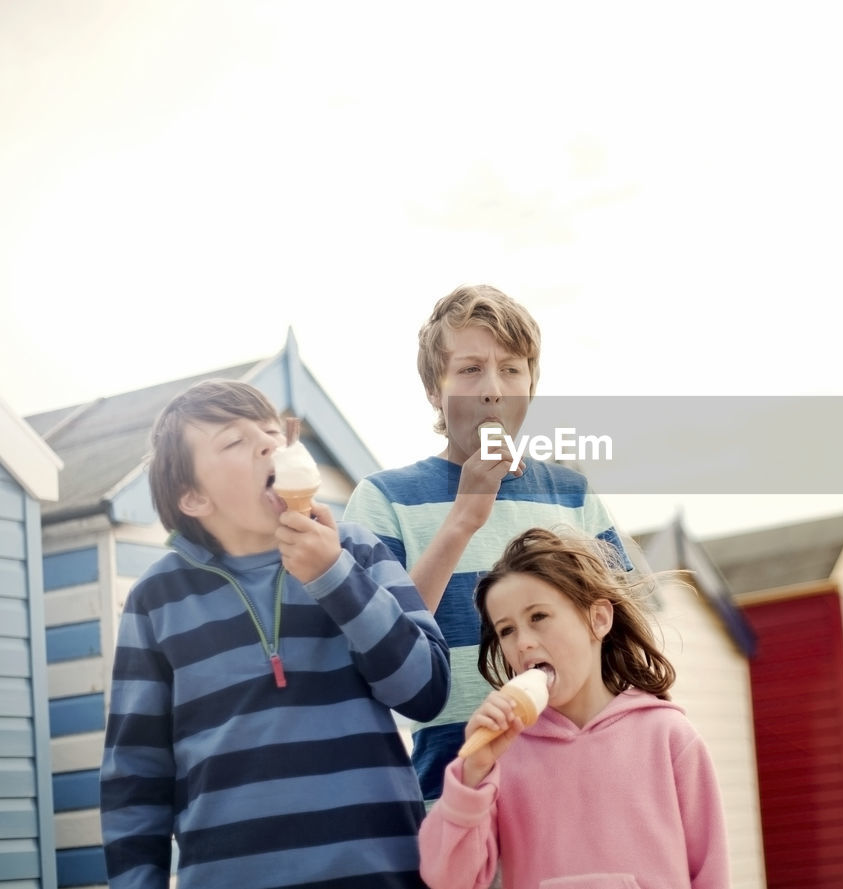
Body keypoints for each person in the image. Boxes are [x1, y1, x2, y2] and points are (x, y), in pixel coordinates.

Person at [99, 379, 450, 889]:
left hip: (381, 873)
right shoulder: (157, 599)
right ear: (193, 497)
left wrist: (335, 576)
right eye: (234, 442)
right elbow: (135, 777)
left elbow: (426, 690)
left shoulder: (354, 549)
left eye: (270, 431)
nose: (267, 442)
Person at [343, 284, 628, 803]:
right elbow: (377, 652)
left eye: (512, 369)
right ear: (435, 388)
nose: (493, 388)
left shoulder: (573, 496)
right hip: (449, 796)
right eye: (471, 369)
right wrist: (462, 521)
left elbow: (621, 643)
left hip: (581, 791)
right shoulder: (384, 500)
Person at [419, 528, 730, 889]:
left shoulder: (669, 737)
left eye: (538, 617)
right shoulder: (500, 754)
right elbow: (447, 879)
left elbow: (711, 873)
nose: (523, 643)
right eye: (506, 630)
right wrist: (473, 770)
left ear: (598, 619)